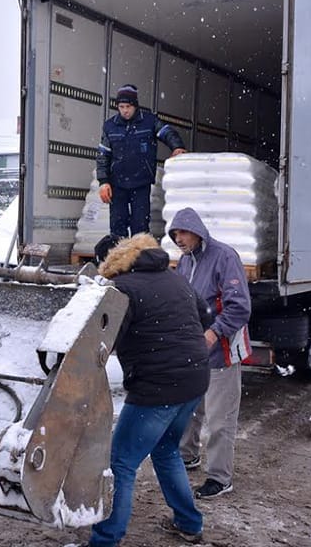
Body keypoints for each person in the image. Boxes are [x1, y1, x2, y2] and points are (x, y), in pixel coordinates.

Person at [86, 233, 210, 547]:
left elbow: (104, 341)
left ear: (113, 264)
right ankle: (189, 522)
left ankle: (105, 539)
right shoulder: (175, 278)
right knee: (166, 449)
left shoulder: (123, 289)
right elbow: (205, 314)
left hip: (158, 387)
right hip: (194, 379)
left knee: (121, 462)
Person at [168, 207, 251, 500]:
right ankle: (188, 455)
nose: (178, 238)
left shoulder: (224, 257)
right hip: (193, 351)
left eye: (182, 232)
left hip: (222, 352)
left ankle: (219, 477)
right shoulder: (185, 262)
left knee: (220, 419)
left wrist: (215, 332)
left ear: (197, 231)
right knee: (189, 411)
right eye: (174, 233)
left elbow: (239, 305)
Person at [97, 84, 186, 238]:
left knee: (140, 226)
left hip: (141, 183)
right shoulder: (110, 126)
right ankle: (121, 261)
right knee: (117, 226)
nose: (125, 110)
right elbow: (103, 154)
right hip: (117, 184)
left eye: (128, 106)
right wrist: (103, 181)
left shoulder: (149, 121)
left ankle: (139, 260)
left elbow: (167, 132)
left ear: (135, 106)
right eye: (121, 106)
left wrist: (177, 147)